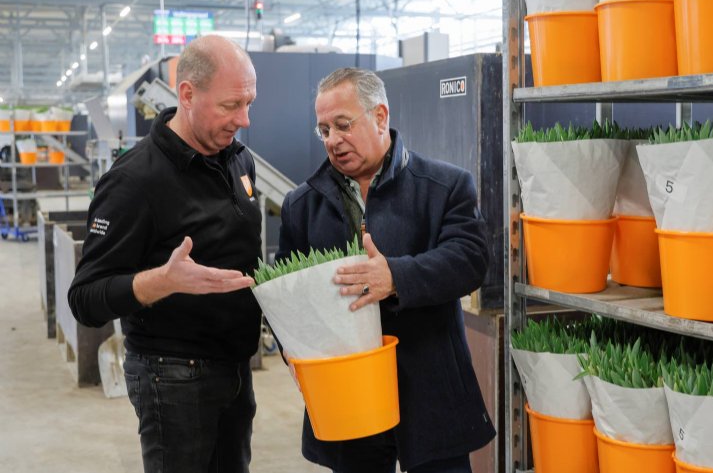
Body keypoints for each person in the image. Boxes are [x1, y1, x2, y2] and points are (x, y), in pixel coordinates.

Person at [276, 67, 495, 473]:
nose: (333, 140)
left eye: (343, 125)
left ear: (380, 117)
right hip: (347, 401)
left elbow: (470, 260)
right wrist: (292, 347)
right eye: (323, 130)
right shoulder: (301, 205)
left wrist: (395, 277)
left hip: (430, 391)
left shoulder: (444, 186)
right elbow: (284, 292)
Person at [68, 35, 262, 473]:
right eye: (231, 105)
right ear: (187, 94)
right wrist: (164, 281)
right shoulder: (134, 181)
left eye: (249, 103)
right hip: (173, 378)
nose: (244, 119)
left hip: (234, 368)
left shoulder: (238, 160)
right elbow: (85, 299)